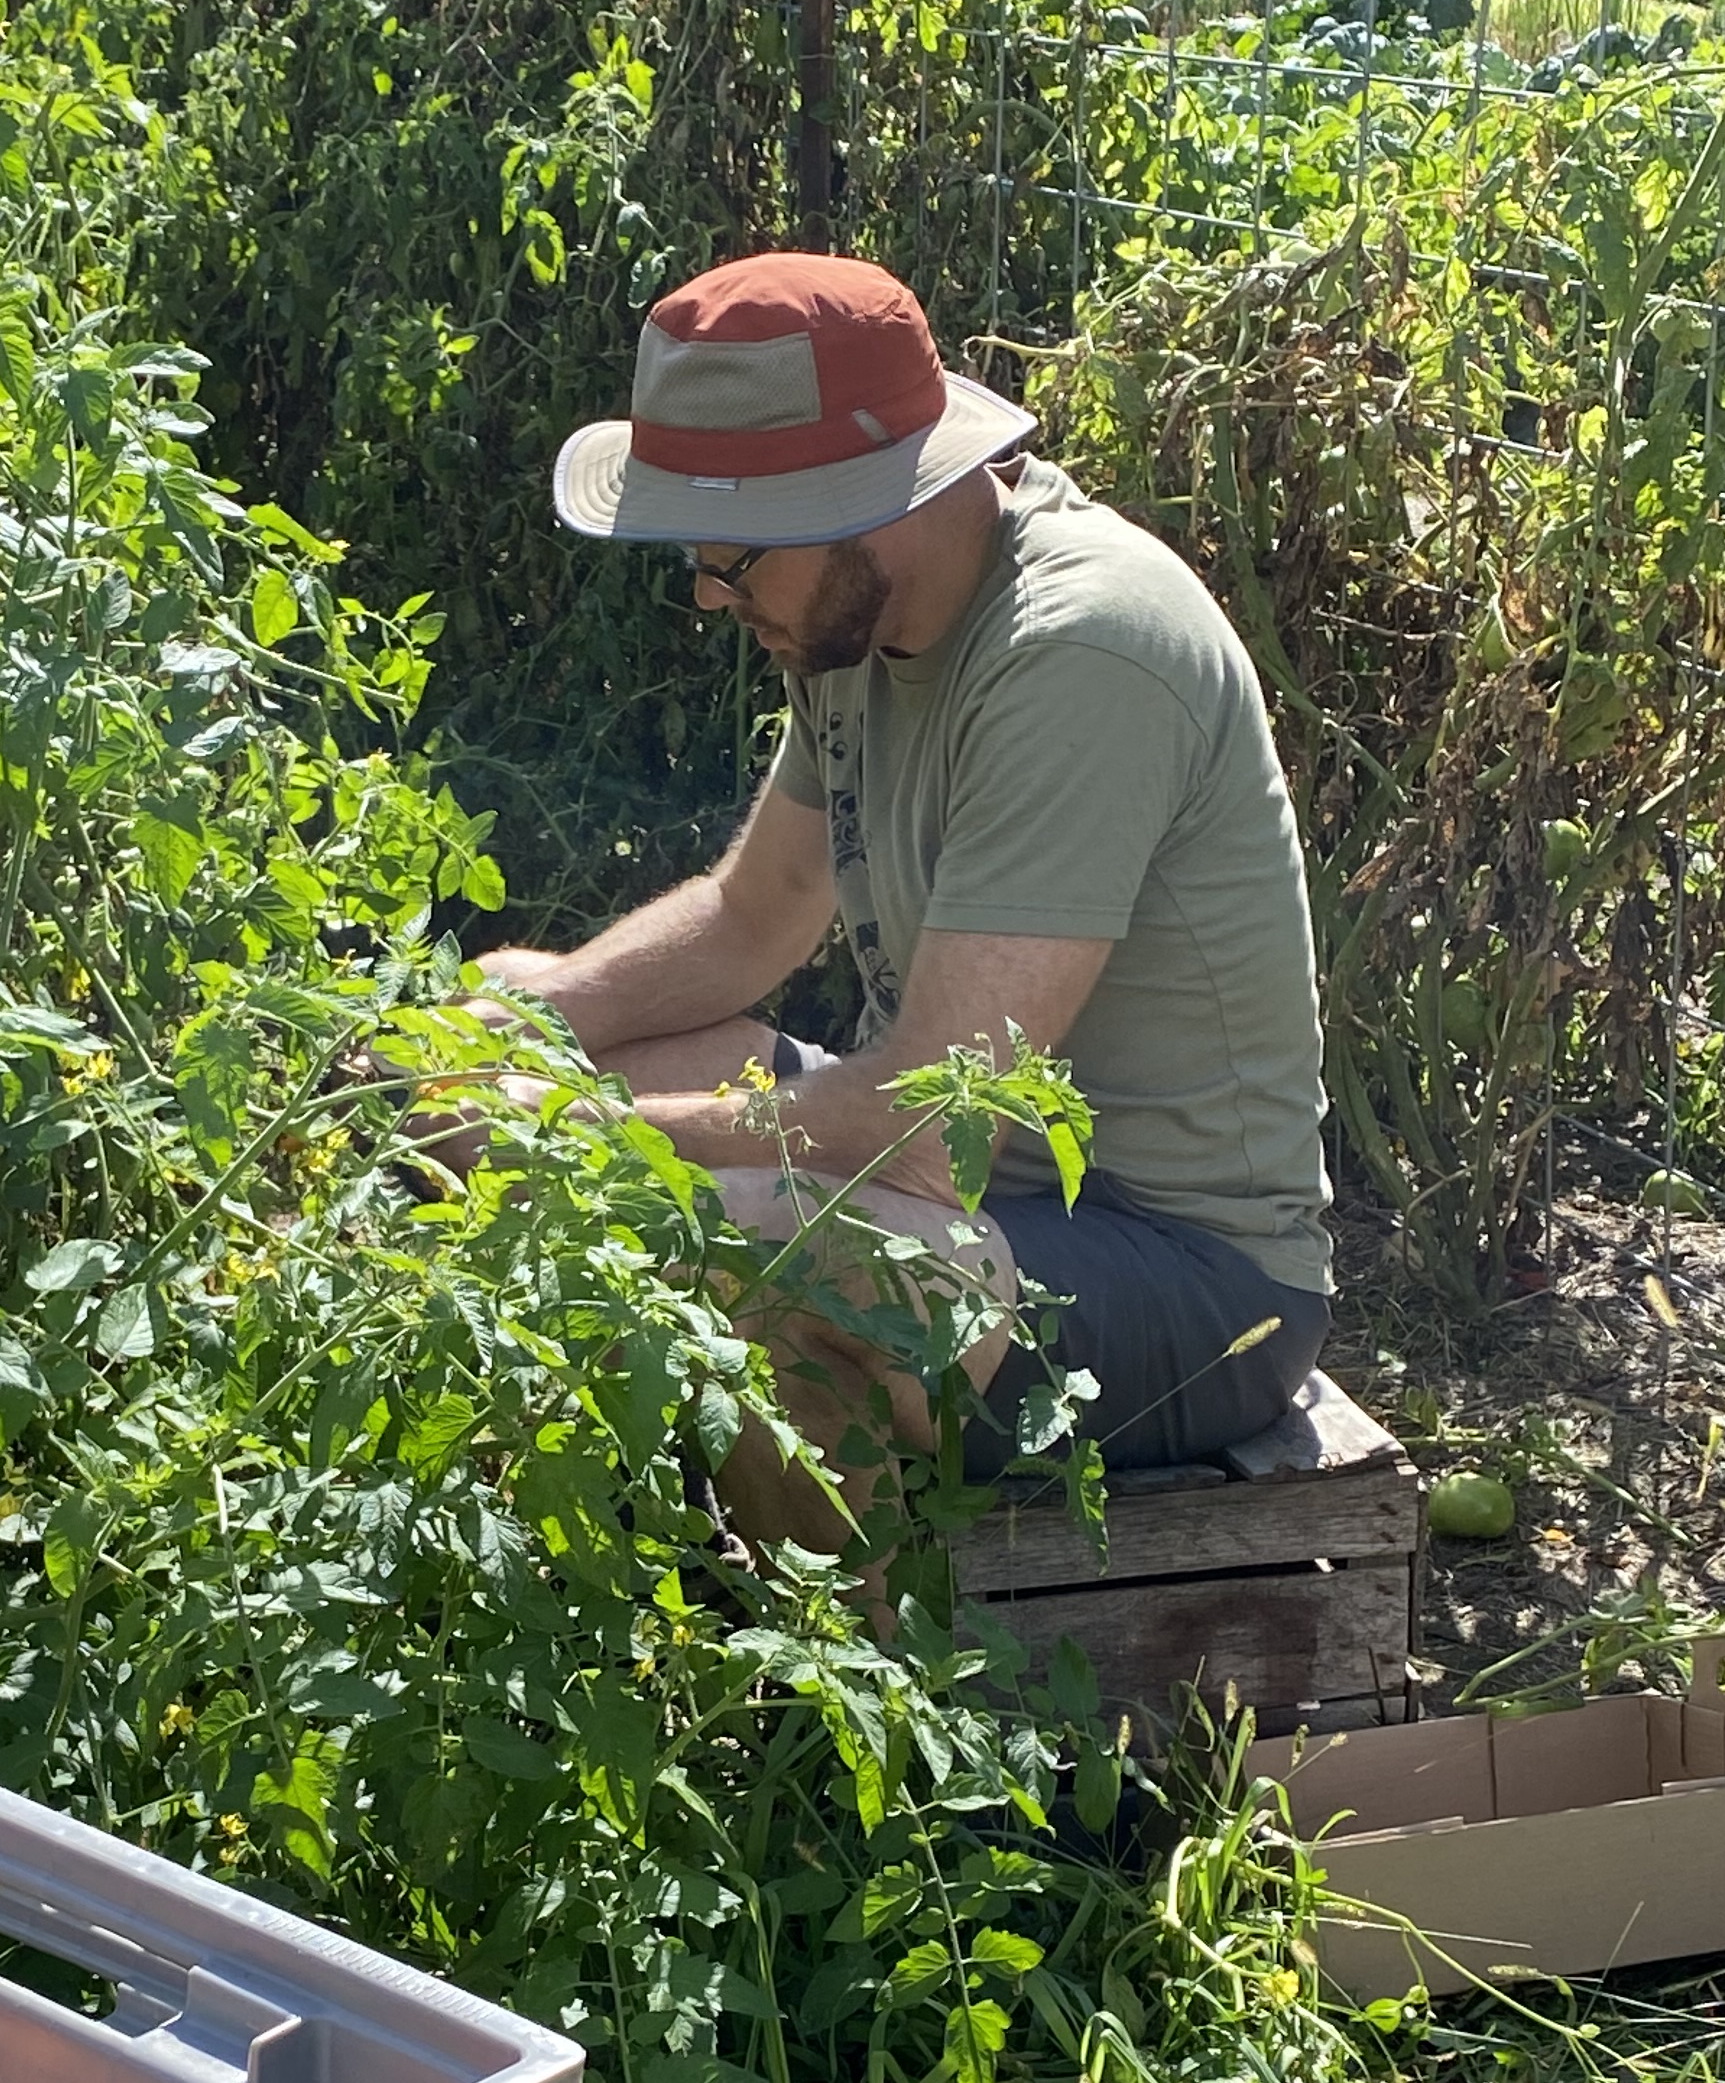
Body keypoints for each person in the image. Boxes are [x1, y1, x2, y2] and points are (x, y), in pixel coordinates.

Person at [484, 251, 1333, 1514]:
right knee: (522, 1016)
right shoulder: (849, 616)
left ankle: (823, 1681)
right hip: (984, 1204)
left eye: (733, 563)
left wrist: (569, 1138)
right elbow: (750, 916)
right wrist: (524, 1030)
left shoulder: (1082, 650)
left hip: (1188, 1279)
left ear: (862, 500)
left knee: (756, 1243)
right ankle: (690, 1561)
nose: (714, 599)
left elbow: (932, 1130)